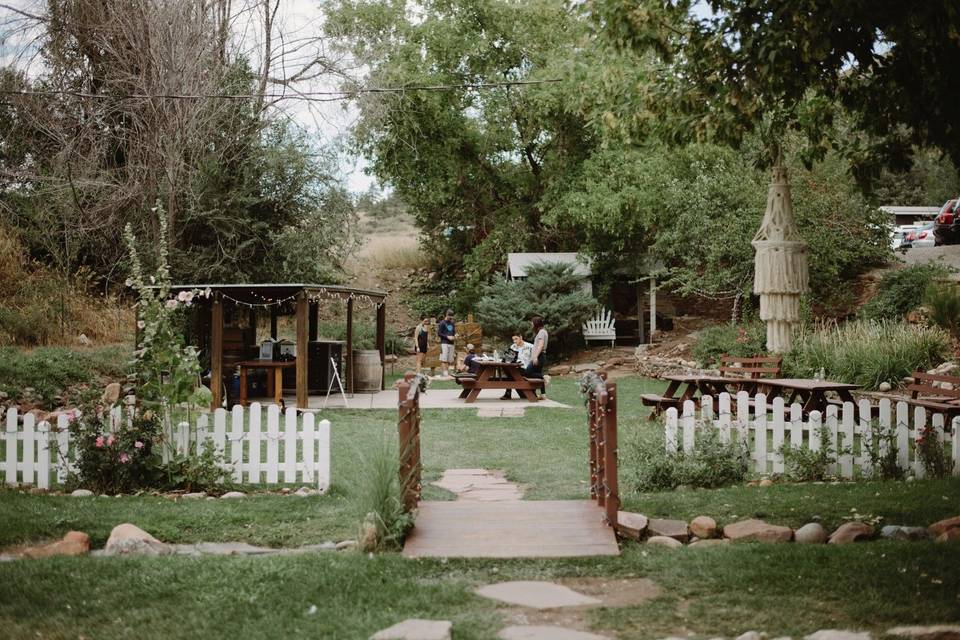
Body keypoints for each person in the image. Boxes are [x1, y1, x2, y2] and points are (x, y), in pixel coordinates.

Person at [501, 335, 533, 399]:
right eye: (513, 339)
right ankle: (510, 393)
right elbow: (509, 359)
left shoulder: (530, 346)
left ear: (521, 337)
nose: (515, 341)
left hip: (526, 369)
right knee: (507, 370)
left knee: (510, 374)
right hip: (514, 368)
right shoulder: (513, 346)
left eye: (516, 339)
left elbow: (533, 359)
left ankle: (508, 394)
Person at [526, 315, 549, 399]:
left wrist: (535, 357)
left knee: (527, 373)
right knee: (536, 373)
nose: (531, 325)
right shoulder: (542, 332)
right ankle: (543, 394)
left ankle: (543, 378)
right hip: (540, 356)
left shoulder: (542, 332)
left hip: (539, 356)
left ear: (536, 323)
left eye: (532, 323)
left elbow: (541, 345)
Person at [436, 309, 456, 378]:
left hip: (451, 343)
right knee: (444, 359)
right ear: (446, 315)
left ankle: (447, 373)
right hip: (444, 343)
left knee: (449, 359)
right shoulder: (442, 323)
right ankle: (445, 374)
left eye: (452, 317)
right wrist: (447, 337)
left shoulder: (452, 323)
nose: (451, 318)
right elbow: (439, 333)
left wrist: (455, 336)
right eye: (450, 316)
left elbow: (453, 332)